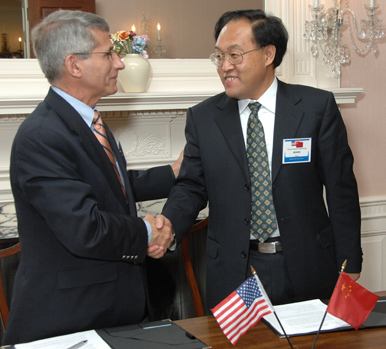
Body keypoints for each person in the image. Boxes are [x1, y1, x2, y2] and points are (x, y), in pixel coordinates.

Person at [156, 9, 362, 310]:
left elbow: (341, 191)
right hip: (236, 271)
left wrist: (349, 263)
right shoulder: (203, 119)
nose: (225, 66)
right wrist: (169, 225)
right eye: (219, 57)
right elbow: (190, 187)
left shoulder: (316, 109)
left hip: (308, 265)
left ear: (268, 54)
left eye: (235, 55)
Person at [4, 10, 179, 345]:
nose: (120, 64)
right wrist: (147, 231)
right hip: (72, 321)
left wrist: (171, 173)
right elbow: (84, 228)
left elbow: (106, 185)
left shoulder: (87, 121)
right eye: (109, 53)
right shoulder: (41, 136)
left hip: (112, 311)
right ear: (75, 65)